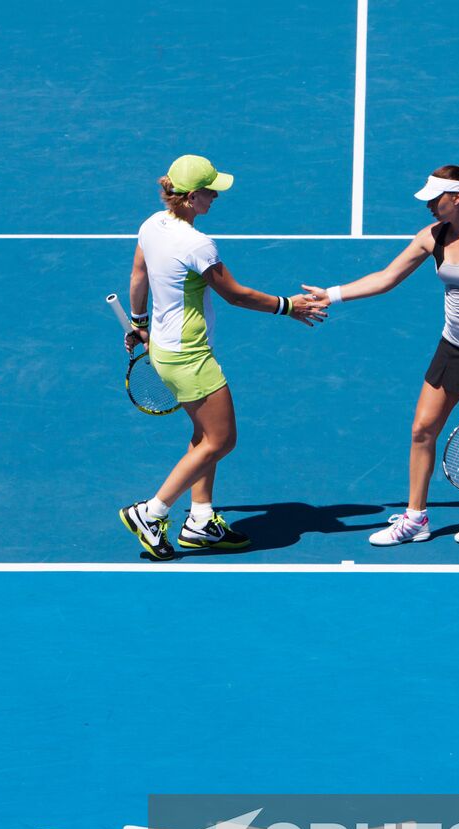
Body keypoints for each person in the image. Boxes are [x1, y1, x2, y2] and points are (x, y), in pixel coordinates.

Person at [304, 164, 459, 546]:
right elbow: (387, 277)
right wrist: (333, 293)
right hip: (452, 346)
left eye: (435, 199)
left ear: (456, 198)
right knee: (422, 429)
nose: (428, 206)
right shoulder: (432, 237)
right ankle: (415, 519)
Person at [119, 154, 326, 560]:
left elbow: (138, 275)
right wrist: (289, 306)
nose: (215, 196)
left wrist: (138, 322)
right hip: (190, 357)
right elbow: (235, 294)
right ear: (192, 196)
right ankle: (151, 511)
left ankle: (199, 521)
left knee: (203, 437)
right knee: (222, 439)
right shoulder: (197, 244)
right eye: (210, 191)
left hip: (163, 348)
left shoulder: (151, 225)